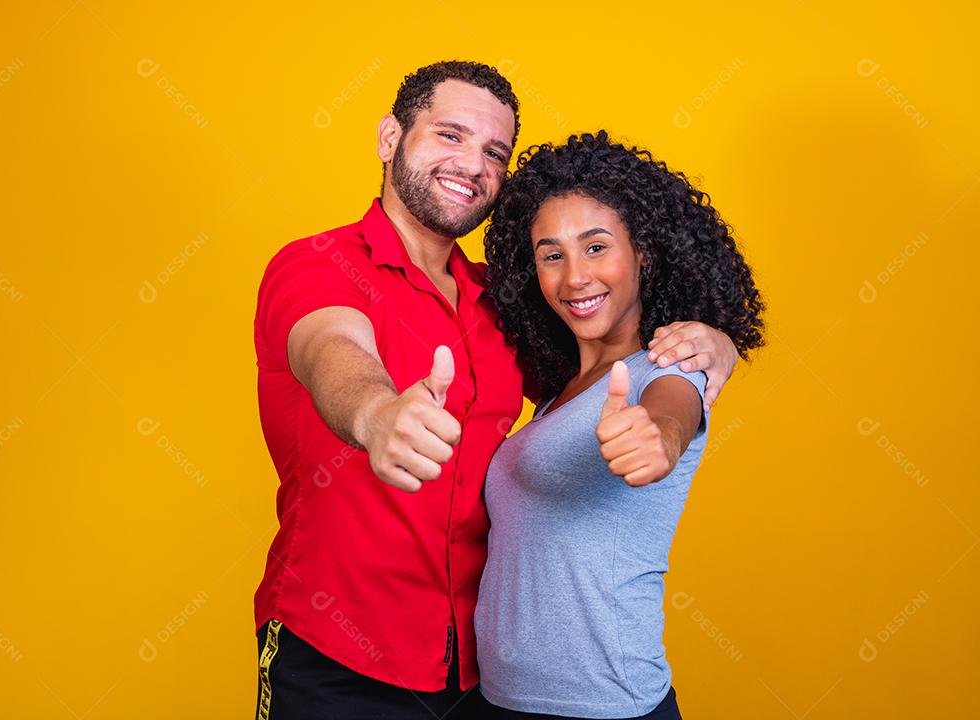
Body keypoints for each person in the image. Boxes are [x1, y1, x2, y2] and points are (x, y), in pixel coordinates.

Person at [252, 61, 741, 720]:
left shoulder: (503, 308)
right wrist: (374, 412)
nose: (472, 163)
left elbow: (615, 379)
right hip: (338, 658)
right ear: (391, 138)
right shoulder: (318, 265)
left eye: (493, 151)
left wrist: (715, 342)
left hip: (475, 680)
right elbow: (330, 349)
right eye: (450, 135)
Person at [475, 131, 765, 719]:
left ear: (645, 254)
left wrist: (660, 438)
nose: (574, 276)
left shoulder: (667, 365)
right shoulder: (557, 393)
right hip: (503, 701)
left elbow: (671, 413)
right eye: (552, 254)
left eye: (596, 247)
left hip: (603, 706)